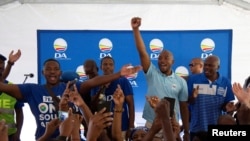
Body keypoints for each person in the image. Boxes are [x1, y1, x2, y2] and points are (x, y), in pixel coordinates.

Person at [0, 57, 142, 140]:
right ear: (43, 72)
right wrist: (9, 65)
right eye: (48, 69)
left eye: (55, 69)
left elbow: (92, 82)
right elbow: (3, 87)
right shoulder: (32, 89)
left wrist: (118, 74)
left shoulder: (72, 89)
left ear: (60, 72)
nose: (52, 72)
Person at [131, 17, 190, 141]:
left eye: (166, 58)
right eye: (160, 58)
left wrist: (187, 130)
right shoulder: (152, 73)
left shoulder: (181, 82)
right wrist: (136, 29)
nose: (162, 61)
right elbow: (142, 52)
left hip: (172, 126)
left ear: (172, 61)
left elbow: (184, 107)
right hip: (152, 124)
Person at [187, 55, 235, 141]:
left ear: (218, 67)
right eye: (205, 65)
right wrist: (193, 97)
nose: (207, 67)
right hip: (196, 128)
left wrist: (228, 107)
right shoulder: (193, 79)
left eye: (210, 65)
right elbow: (187, 102)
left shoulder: (225, 82)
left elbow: (226, 106)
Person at [91, 56, 135, 140]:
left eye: (110, 64)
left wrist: (131, 126)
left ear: (114, 67)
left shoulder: (123, 81)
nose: (108, 66)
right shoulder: (96, 82)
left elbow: (131, 104)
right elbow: (93, 105)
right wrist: (102, 88)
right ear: (101, 67)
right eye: (105, 64)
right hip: (102, 128)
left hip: (122, 126)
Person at [0, 51, 24, 141]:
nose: (0, 66)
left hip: (10, 135)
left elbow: (19, 113)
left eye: (2, 63)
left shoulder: (12, 88)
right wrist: (10, 64)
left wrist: (17, 134)